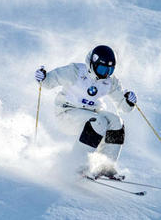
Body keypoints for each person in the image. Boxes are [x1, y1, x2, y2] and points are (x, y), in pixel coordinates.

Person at [34, 45, 137, 179]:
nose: (105, 74)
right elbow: (48, 82)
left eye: (110, 70)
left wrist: (129, 101)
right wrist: (42, 77)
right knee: (98, 122)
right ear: (93, 64)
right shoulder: (76, 71)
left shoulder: (110, 82)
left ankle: (105, 166)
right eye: (102, 69)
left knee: (117, 122)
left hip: (91, 115)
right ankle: (76, 164)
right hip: (67, 113)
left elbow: (124, 107)